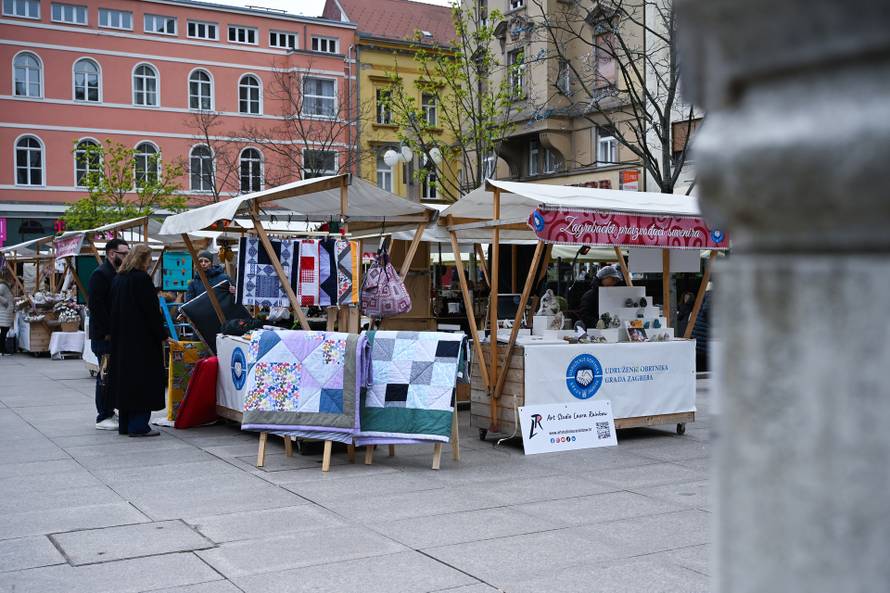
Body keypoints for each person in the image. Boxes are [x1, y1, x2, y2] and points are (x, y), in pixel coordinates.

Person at [108, 244, 167, 437]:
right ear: (143, 259)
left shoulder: (119, 279)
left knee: (125, 382)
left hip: (121, 340)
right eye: (148, 259)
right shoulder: (141, 279)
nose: (149, 263)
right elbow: (151, 312)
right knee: (143, 382)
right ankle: (139, 425)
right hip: (142, 341)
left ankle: (125, 424)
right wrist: (162, 334)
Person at [87, 238, 129, 430]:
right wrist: (108, 331)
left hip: (112, 334)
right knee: (105, 375)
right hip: (104, 337)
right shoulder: (101, 274)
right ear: (112, 254)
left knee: (112, 376)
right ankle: (103, 415)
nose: (127, 257)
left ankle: (109, 411)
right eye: (124, 254)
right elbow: (96, 307)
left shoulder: (115, 273)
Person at [578, 264, 625, 329]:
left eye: (616, 280)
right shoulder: (589, 296)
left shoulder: (614, 294)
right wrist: (596, 323)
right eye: (612, 278)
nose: (614, 282)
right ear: (603, 277)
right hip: (594, 331)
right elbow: (584, 315)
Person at [0, 272, 14, 356]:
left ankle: (2, 349)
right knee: (4, 331)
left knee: (4, 331)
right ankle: (2, 350)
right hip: (4, 312)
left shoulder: (4, 286)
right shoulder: (2, 286)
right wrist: (5, 302)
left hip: (5, 312)